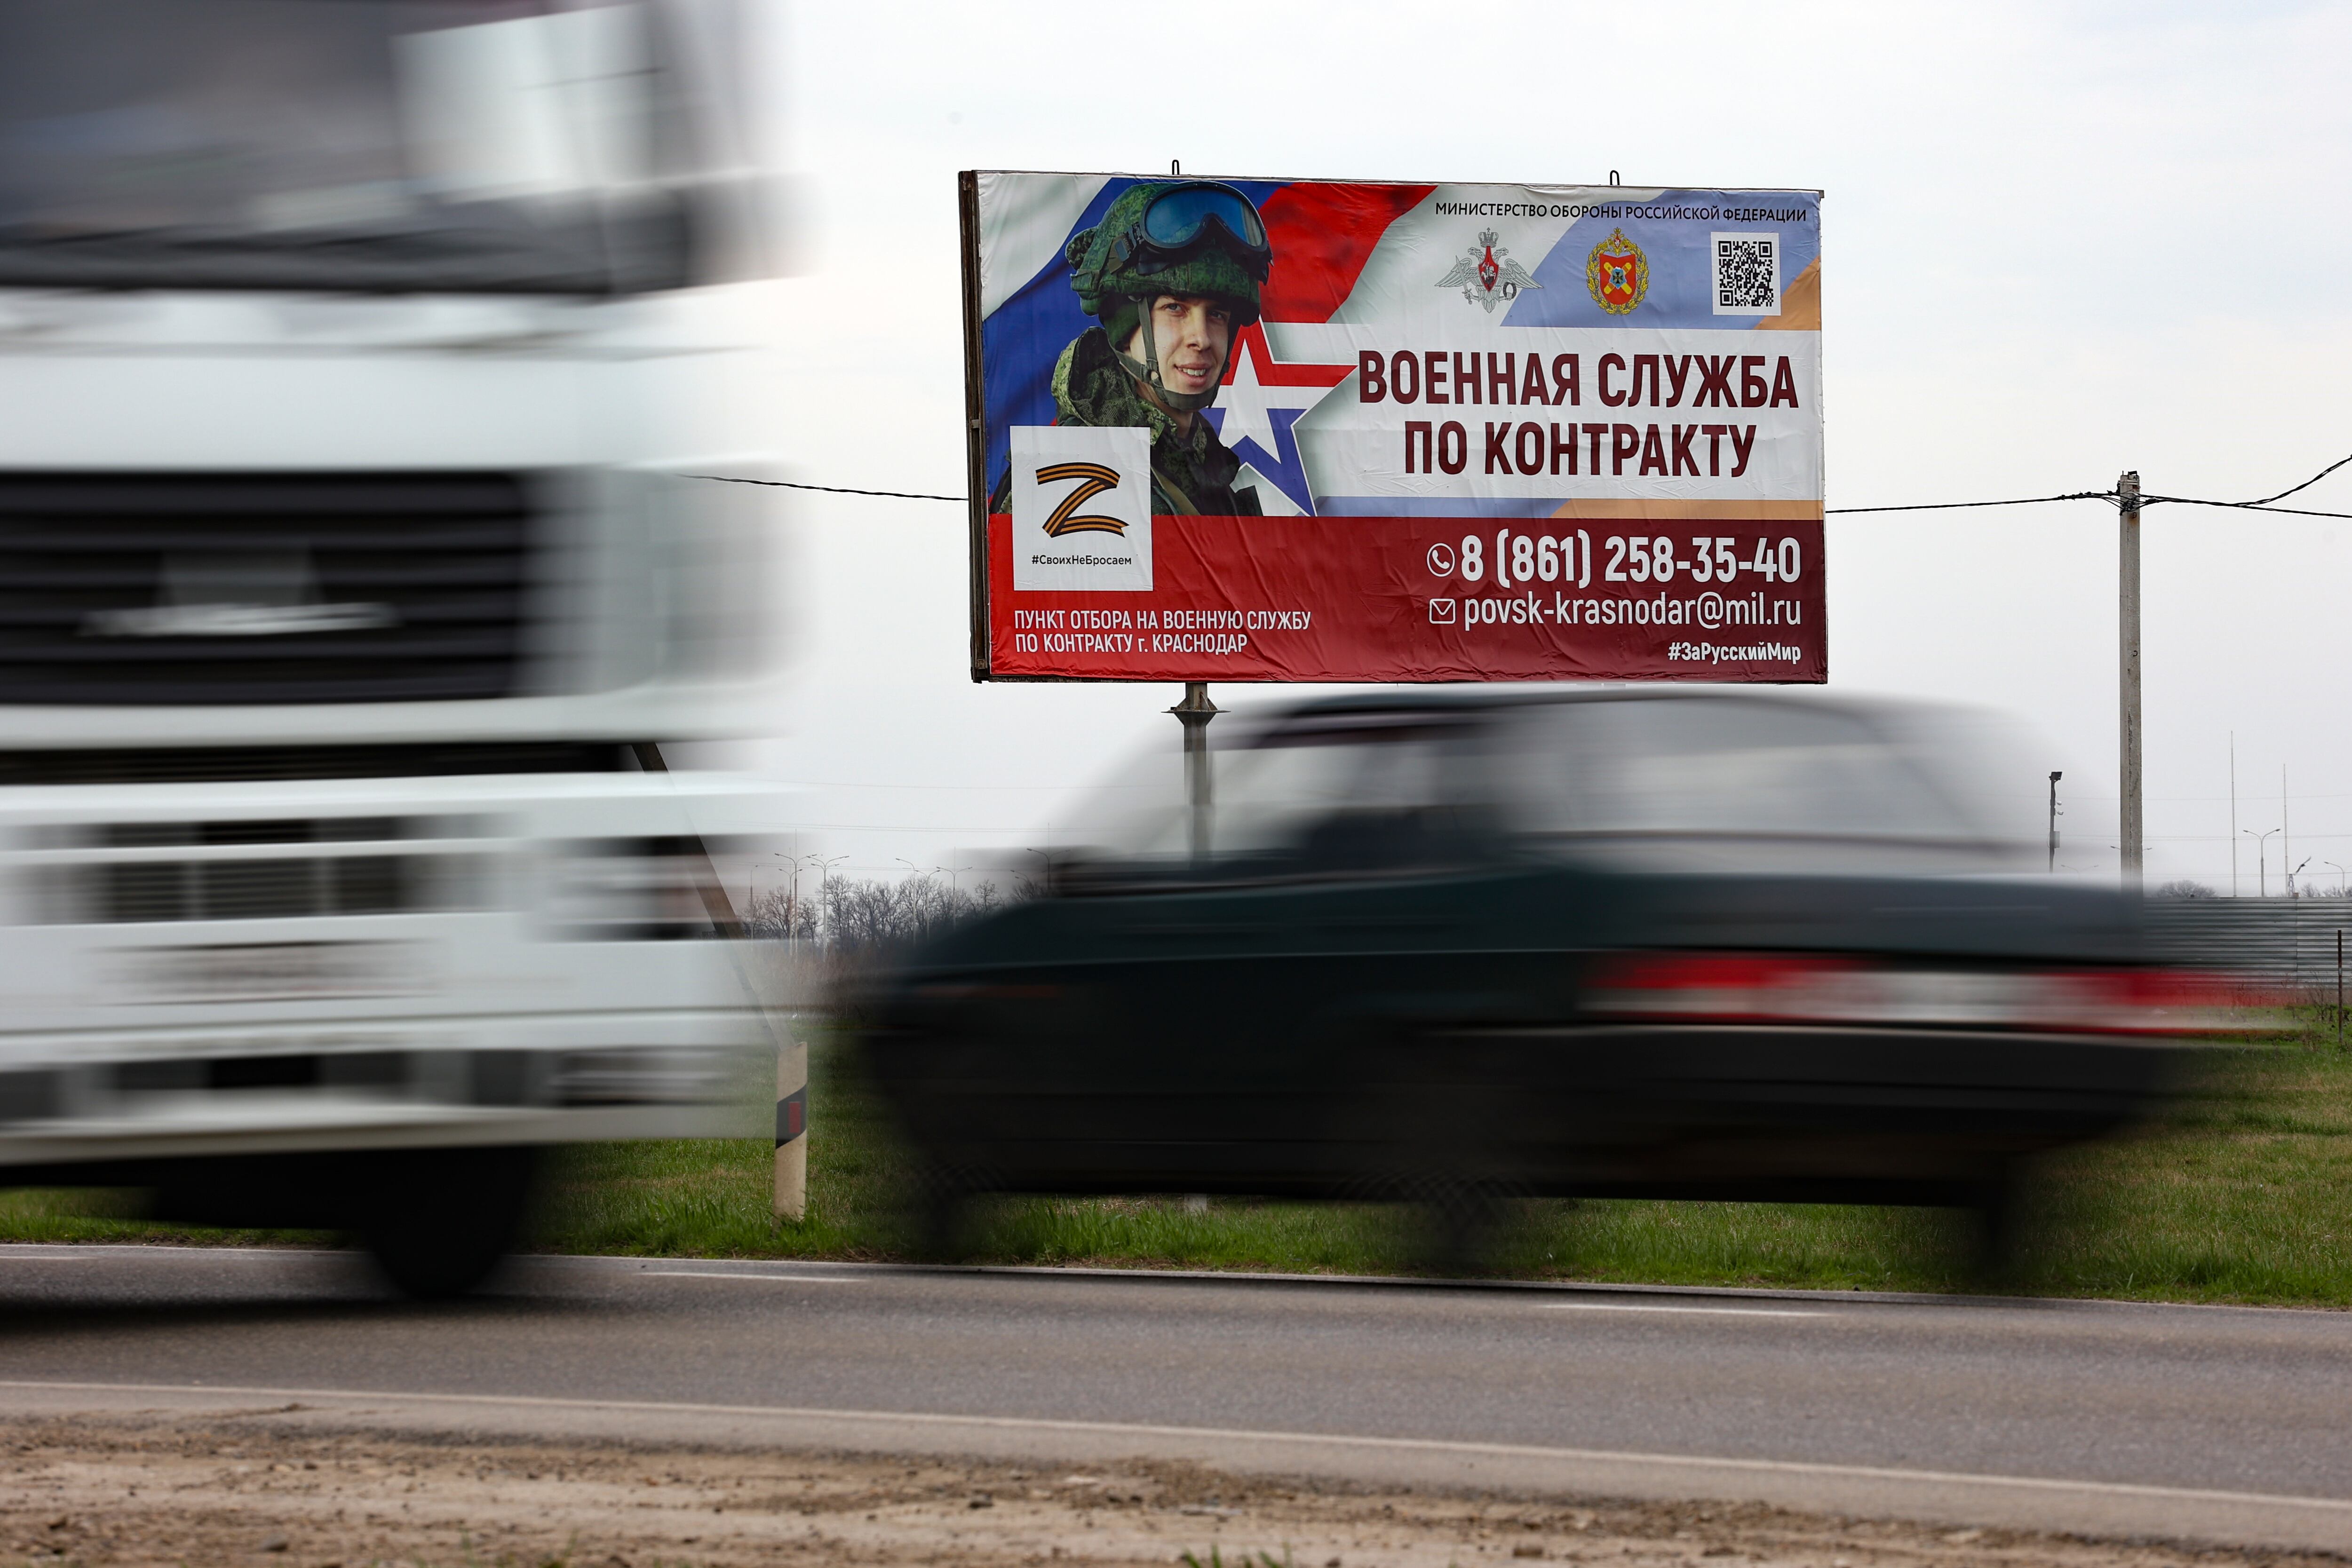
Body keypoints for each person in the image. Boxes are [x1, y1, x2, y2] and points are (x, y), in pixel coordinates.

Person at [1001, 181, 1272, 516]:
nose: (1201, 339)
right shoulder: (1073, 471)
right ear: (1126, 326)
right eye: (1175, 309)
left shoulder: (1206, 469)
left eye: (1217, 315)